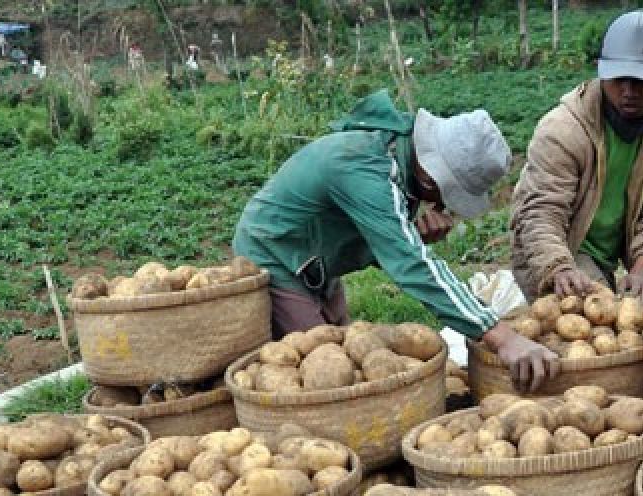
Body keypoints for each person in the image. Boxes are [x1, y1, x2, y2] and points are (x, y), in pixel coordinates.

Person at [233, 89, 560, 393]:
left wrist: (413, 237)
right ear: (432, 174)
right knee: (323, 374)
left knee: (349, 355)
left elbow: (385, 242)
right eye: (446, 194)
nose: (443, 206)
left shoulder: (397, 159)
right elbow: (411, 263)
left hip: (317, 262)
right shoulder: (367, 165)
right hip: (273, 253)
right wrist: (500, 336)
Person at [510, 10, 643, 306]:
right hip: (557, 249)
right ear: (601, 70)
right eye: (619, 79)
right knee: (587, 334)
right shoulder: (562, 131)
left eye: (642, 81)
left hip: (608, 253)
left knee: (640, 319)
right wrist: (557, 268)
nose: (629, 91)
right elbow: (541, 213)